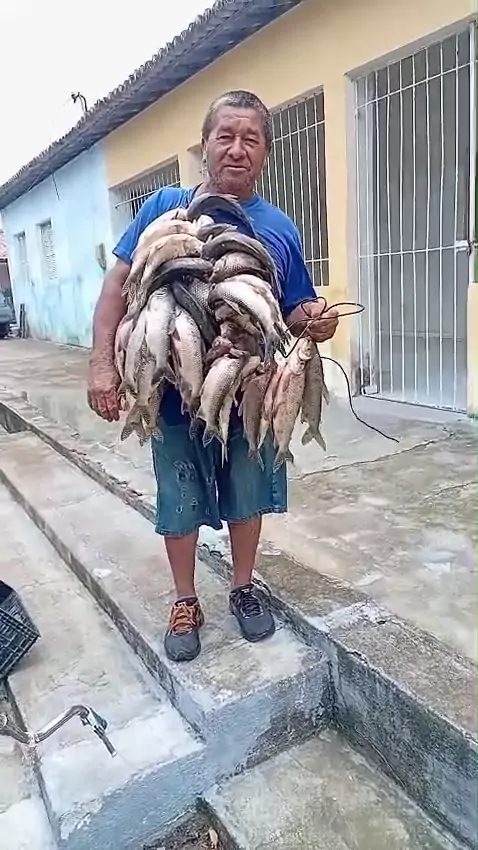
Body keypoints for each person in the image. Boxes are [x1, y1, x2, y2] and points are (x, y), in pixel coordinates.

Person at [88, 90, 339, 663]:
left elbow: (293, 309)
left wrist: (316, 321)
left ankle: (243, 587)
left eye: (251, 138)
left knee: (248, 491)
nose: (236, 148)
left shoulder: (280, 228)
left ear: (266, 152)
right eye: (225, 135)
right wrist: (103, 363)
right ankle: (185, 600)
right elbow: (116, 286)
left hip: (247, 386)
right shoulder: (163, 207)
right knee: (178, 497)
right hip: (170, 393)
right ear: (205, 144)